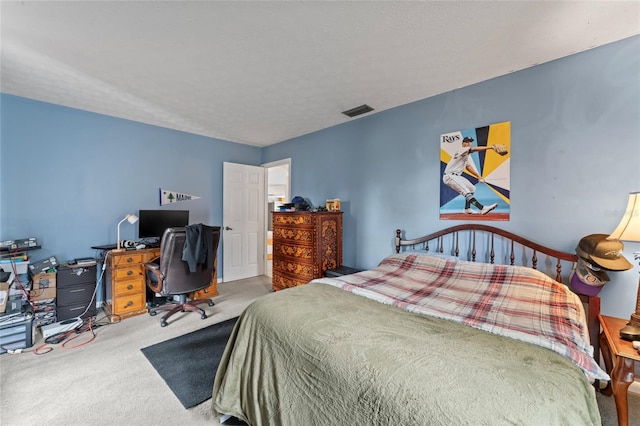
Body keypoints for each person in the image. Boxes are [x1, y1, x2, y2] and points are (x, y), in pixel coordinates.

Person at [442, 136, 498, 215]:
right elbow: (473, 149)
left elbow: (468, 167)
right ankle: (482, 208)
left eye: (470, 142)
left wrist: (478, 176)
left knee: (471, 188)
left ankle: (467, 209)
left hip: (456, 176)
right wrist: (490, 147)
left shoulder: (465, 155)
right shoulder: (461, 149)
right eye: (466, 142)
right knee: (466, 191)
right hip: (450, 176)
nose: (468, 144)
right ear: (463, 143)